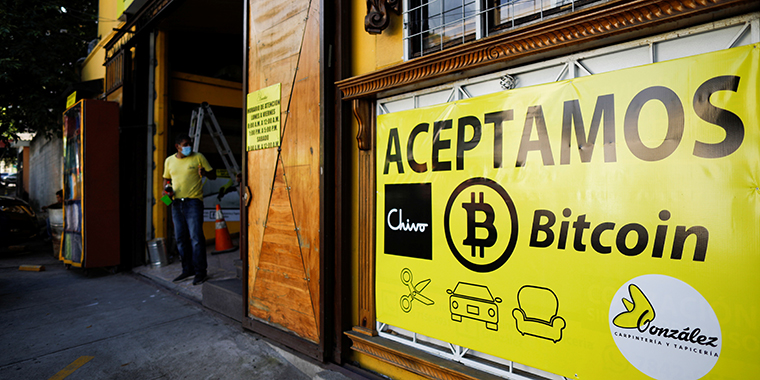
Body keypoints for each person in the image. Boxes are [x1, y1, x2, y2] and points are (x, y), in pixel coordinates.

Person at [163, 133, 216, 285]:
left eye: (189, 144)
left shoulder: (198, 157)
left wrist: (205, 173)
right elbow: (166, 179)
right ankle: (187, 270)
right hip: (176, 203)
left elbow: (213, 175)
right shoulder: (169, 161)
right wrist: (165, 194)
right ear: (177, 147)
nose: (188, 147)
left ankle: (201, 272)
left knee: (196, 238)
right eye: (185, 144)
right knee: (180, 238)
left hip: (193, 202)